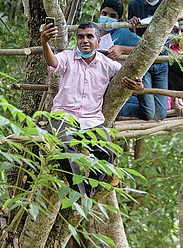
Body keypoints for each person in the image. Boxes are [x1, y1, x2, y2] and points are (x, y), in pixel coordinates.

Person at [41, 20, 142, 196]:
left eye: (89, 36)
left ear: (98, 41)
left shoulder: (108, 64)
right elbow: (53, 61)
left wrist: (138, 87)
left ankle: (88, 192)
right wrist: (44, 42)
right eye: (81, 37)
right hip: (63, 116)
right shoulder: (67, 56)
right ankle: (81, 195)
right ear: (76, 40)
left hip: (92, 120)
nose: (85, 40)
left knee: (107, 153)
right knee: (62, 144)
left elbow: (130, 78)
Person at [98, 0, 168, 120]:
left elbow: (149, 48)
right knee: (149, 112)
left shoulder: (123, 33)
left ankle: (114, 107)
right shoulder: (92, 32)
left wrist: (122, 49)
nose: (106, 17)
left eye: (112, 15)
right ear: (99, 14)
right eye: (104, 13)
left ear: (119, 19)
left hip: (120, 81)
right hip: (100, 84)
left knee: (160, 114)